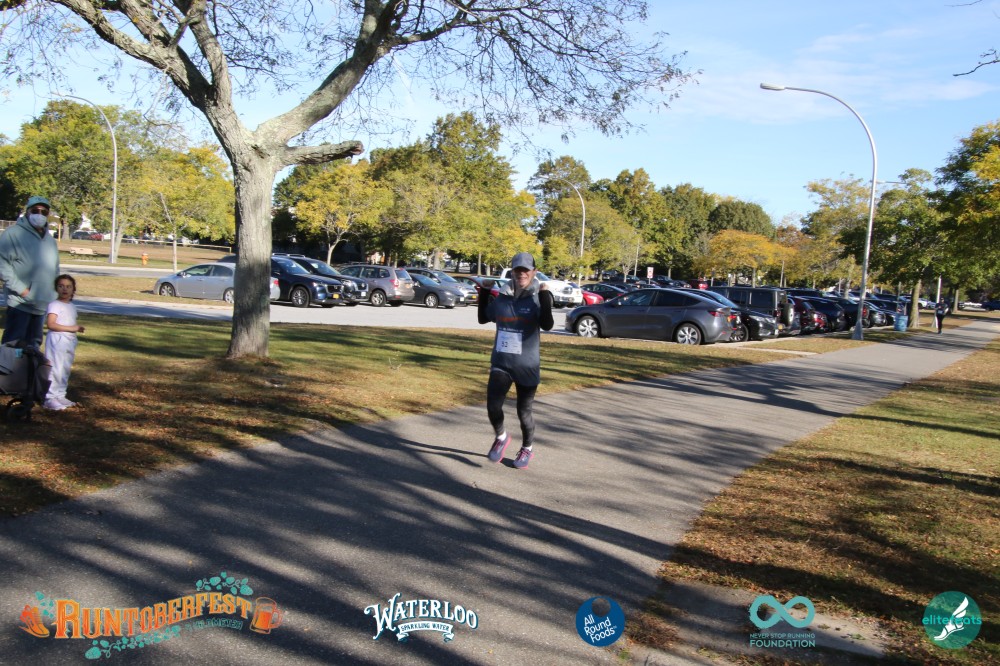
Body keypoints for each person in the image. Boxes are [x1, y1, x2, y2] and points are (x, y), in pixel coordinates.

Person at [478, 252, 554, 469]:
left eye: (526, 270)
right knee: (493, 405)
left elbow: (547, 324)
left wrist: (545, 295)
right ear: (512, 272)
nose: (521, 274)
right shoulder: (502, 298)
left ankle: (527, 448)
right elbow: (483, 318)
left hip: (527, 366)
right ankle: (501, 437)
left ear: (534, 272)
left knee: (524, 412)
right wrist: (484, 292)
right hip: (501, 363)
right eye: (518, 270)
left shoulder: (538, 298)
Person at [0, 195, 60, 348]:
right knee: (13, 349)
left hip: (41, 305)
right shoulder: (13, 234)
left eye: (44, 212)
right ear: (27, 212)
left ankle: (30, 365)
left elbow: (55, 269)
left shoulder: (50, 241)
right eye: (35, 211)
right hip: (20, 303)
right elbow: (3, 266)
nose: (39, 215)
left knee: (33, 350)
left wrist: (54, 293)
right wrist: (23, 290)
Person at [43, 274, 85, 411]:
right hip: (57, 340)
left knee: (65, 369)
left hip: (69, 340)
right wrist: (73, 328)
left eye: (68, 286)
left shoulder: (71, 306)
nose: (64, 289)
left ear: (73, 289)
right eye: (61, 286)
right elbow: (51, 324)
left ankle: (60, 395)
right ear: (56, 288)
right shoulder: (54, 305)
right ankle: (49, 398)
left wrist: (76, 329)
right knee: (55, 368)